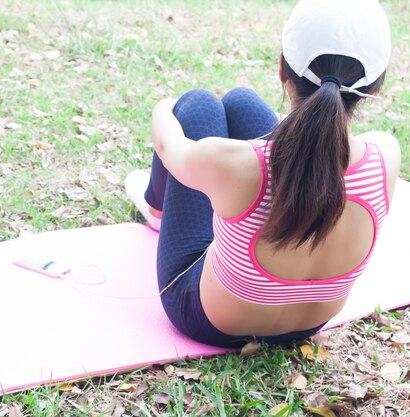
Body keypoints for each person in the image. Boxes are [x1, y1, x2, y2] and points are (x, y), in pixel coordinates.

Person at [125, 0, 401, 348]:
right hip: (308, 325)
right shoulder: (386, 155)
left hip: (209, 323)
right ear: (376, 87)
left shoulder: (232, 163)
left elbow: (169, 146)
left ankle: (156, 210)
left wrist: (164, 105)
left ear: (283, 69)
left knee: (199, 104)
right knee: (241, 101)